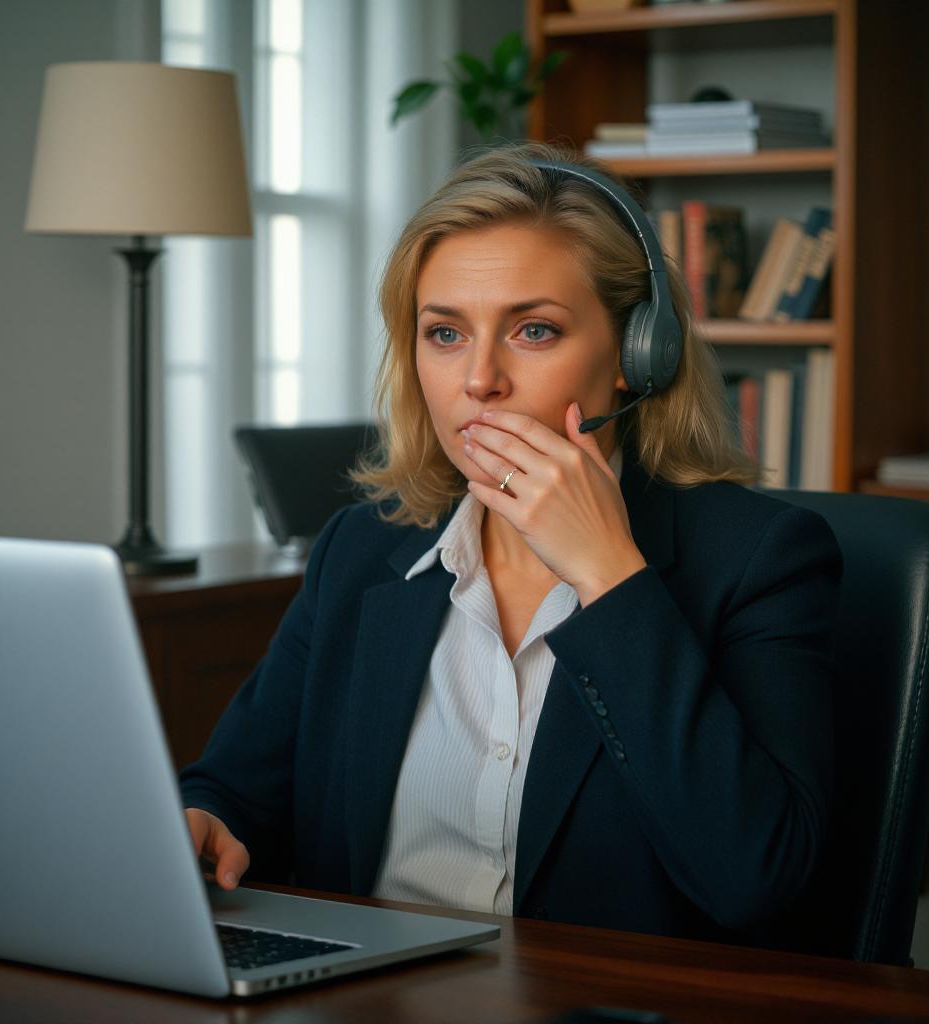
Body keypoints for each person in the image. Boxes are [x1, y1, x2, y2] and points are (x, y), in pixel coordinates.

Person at [180, 142, 842, 948]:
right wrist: (207, 819)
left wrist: (610, 577)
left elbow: (755, 881)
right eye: (445, 333)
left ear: (639, 356)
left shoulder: (762, 561)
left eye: (533, 330)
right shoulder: (359, 551)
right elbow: (236, 785)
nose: (479, 380)